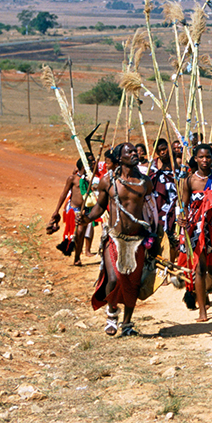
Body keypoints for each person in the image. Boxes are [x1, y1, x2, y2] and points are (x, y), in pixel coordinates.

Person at [83, 143, 158, 336]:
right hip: (114, 237)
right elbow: (99, 206)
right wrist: (87, 217)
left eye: (135, 151)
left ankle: (127, 324)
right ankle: (111, 313)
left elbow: (151, 210)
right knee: (114, 278)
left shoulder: (145, 182)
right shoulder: (107, 181)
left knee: (133, 283)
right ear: (119, 158)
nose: (135, 154)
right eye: (129, 152)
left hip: (138, 239)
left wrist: (157, 233)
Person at [178, 143, 212, 322]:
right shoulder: (188, 181)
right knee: (199, 269)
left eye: (208, 156)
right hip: (196, 230)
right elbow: (183, 207)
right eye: (201, 157)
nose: (205, 160)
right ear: (195, 159)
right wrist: (181, 220)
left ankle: (202, 292)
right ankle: (203, 310)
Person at [47, 155, 98, 265]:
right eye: (89, 165)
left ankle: (77, 257)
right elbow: (64, 194)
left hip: (86, 210)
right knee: (77, 233)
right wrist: (56, 210)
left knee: (81, 232)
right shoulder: (73, 179)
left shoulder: (89, 179)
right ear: (83, 166)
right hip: (74, 209)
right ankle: (76, 255)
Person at [149, 139, 179, 263]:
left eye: (164, 149)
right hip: (158, 205)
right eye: (160, 150)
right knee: (158, 234)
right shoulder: (153, 165)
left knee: (173, 235)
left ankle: (171, 263)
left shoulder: (177, 163)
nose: (163, 152)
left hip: (174, 203)